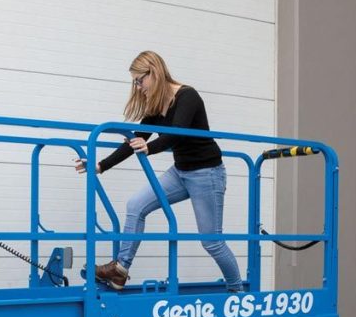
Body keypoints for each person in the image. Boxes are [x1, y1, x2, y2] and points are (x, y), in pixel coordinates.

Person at [75, 50, 243, 292]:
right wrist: (100, 165)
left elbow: (177, 133)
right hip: (180, 172)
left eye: (139, 80)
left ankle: (237, 293)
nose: (138, 87)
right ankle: (120, 269)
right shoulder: (155, 107)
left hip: (207, 173)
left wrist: (150, 147)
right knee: (135, 205)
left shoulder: (187, 96)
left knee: (211, 241)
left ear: (153, 72)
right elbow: (134, 140)